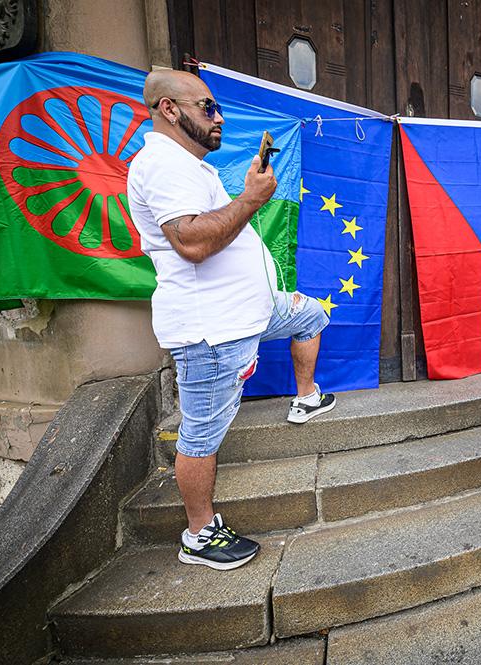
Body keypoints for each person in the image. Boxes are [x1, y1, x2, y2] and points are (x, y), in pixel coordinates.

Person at [127, 70, 336, 570]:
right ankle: (199, 535)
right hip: (213, 332)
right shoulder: (161, 164)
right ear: (169, 110)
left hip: (251, 313)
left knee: (312, 315)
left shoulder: (191, 165)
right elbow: (194, 242)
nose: (218, 118)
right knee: (201, 434)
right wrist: (252, 199)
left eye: (217, 109)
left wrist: (243, 194)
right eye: (207, 108)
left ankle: (306, 398)